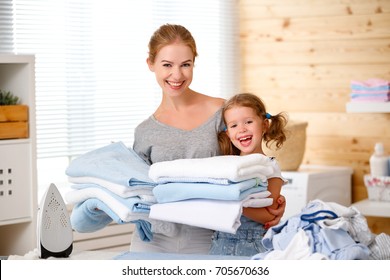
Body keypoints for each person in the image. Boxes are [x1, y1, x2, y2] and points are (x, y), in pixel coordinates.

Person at [131, 24, 286, 254]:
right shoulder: (145, 132)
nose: (177, 75)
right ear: (150, 64)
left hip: (210, 236)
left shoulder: (220, 112)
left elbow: (250, 166)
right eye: (167, 65)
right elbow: (138, 189)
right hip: (155, 238)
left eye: (186, 65)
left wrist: (270, 200)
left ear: (194, 63)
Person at [209, 92, 288, 256]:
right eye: (234, 125)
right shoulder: (226, 165)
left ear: (264, 125)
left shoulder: (271, 166)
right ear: (228, 134)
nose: (242, 129)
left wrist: (230, 202)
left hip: (253, 245)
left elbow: (269, 215)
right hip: (219, 243)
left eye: (249, 122)